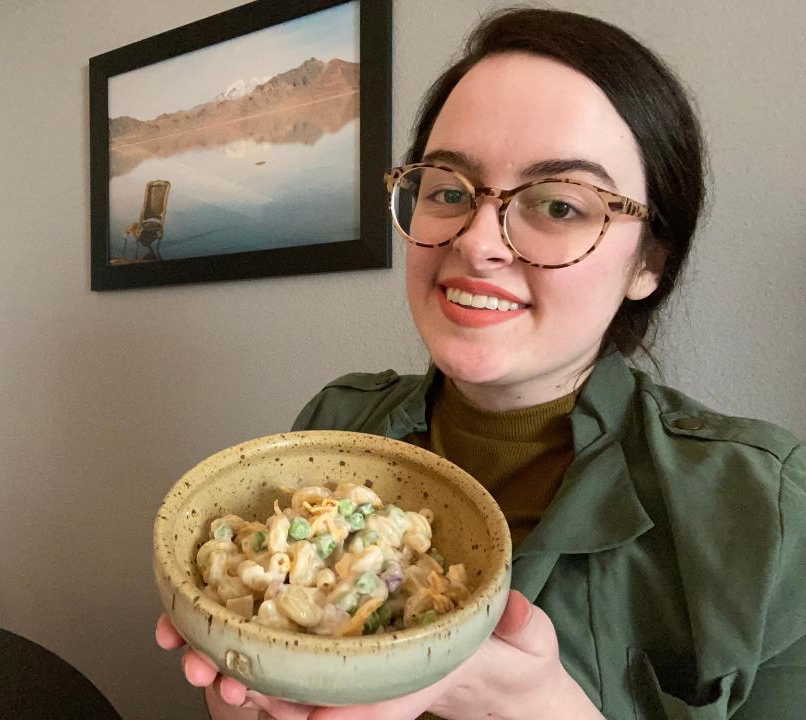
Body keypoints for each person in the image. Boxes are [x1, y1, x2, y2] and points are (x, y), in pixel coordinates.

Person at [156, 7, 806, 719]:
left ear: (651, 262)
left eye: (558, 205)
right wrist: (248, 695)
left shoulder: (769, 513)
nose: (477, 241)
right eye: (447, 191)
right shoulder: (335, 425)